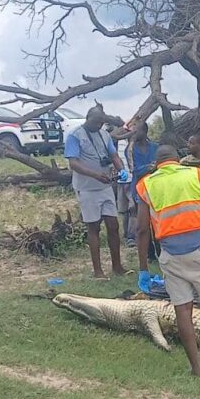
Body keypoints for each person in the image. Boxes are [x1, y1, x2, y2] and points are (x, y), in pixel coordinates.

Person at [135, 145, 200, 377]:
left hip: (170, 255)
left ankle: (195, 367)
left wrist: (143, 268)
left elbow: (141, 229)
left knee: (183, 309)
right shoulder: (197, 175)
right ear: (177, 160)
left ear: (157, 163)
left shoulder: (146, 185)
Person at [64, 104, 129, 279]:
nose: (99, 126)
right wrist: (95, 175)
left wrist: (121, 169)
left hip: (105, 186)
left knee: (113, 226)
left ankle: (117, 267)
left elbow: (114, 155)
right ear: (88, 119)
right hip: (87, 188)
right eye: (96, 122)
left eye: (101, 122)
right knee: (93, 227)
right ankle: (98, 271)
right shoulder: (75, 136)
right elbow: (74, 163)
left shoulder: (104, 134)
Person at [126, 122, 159, 255]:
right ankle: (149, 253)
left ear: (145, 132)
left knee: (156, 220)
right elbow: (134, 170)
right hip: (140, 188)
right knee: (144, 223)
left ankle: (158, 250)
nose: (134, 133)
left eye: (137, 131)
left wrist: (149, 168)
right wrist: (150, 167)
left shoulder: (156, 147)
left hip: (156, 187)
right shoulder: (130, 149)